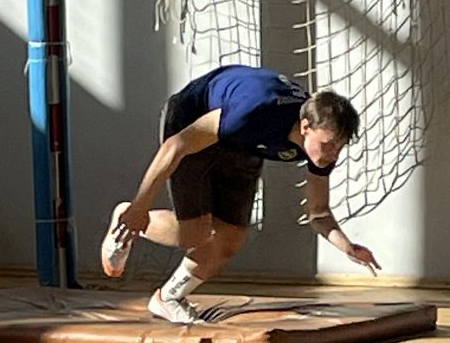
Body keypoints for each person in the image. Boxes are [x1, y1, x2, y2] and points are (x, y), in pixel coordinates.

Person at [101, 65, 380, 322]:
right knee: (194, 233)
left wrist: (347, 246)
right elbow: (176, 146)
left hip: (243, 143)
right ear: (306, 127)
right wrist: (139, 206)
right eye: (329, 145)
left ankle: (168, 297)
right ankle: (124, 217)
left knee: (230, 238)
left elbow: (318, 212)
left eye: (340, 147)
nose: (334, 155)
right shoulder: (255, 114)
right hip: (195, 120)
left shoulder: (319, 149)